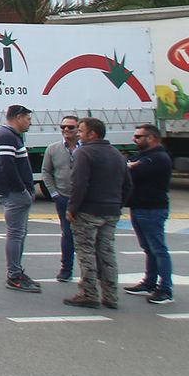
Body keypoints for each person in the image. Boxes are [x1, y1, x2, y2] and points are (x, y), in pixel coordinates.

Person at [65, 117, 130, 309]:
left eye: (81, 130)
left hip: (89, 211)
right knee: (107, 253)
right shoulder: (117, 154)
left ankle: (89, 293)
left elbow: (79, 183)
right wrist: (118, 205)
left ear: (92, 134)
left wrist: (72, 208)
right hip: (110, 211)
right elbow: (128, 185)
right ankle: (111, 295)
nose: (78, 134)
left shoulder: (84, 153)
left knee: (86, 252)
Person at [0, 104, 39, 294]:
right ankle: (14, 274)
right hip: (15, 194)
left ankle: (17, 271)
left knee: (19, 233)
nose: (29, 122)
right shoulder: (6, 136)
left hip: (17, 194)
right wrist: (23, 190)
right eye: (27, 118)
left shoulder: (9, 136)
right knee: (16, 234)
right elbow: (7, 166)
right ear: (18, 117)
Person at [124, 122, 173, 305]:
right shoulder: (143, 156)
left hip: (152, 209)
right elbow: (127, 166)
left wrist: (130, 167)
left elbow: (131, 172)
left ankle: (165, 289)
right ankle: (150, 282)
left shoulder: (159, 158)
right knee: (149, 249)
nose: (134, 139)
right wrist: (130, 165)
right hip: (138, 207)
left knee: (158, 249)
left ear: (151, 138)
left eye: (138, 137)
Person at [43, 116, 80, 284]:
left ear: (78, 129)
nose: (66, 130)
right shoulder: (53, 148)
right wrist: (54, 194)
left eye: (70, 127)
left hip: (83, 199)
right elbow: (46, 172)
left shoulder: (86, 149)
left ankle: (92, 269)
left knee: (88, 235)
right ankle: (66, 269)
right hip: (63, 197)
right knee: (67, 234)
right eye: (63, 127)